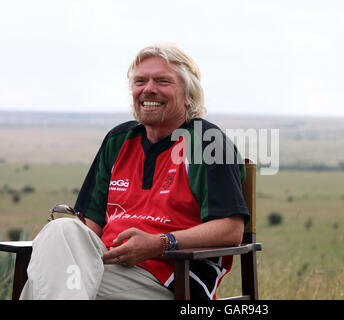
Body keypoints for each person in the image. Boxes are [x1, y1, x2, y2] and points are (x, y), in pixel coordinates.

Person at [20, 42, 249, 300]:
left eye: (163, 81)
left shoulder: (207, 142)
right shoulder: (118, 140)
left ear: (188, 96)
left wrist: (159, 244)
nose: (148, 89)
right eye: (140, 81)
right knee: (61, 231)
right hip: (103, 265)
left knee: (42, 288)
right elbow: (89, 227)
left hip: (170, 277)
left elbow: (230, 230)